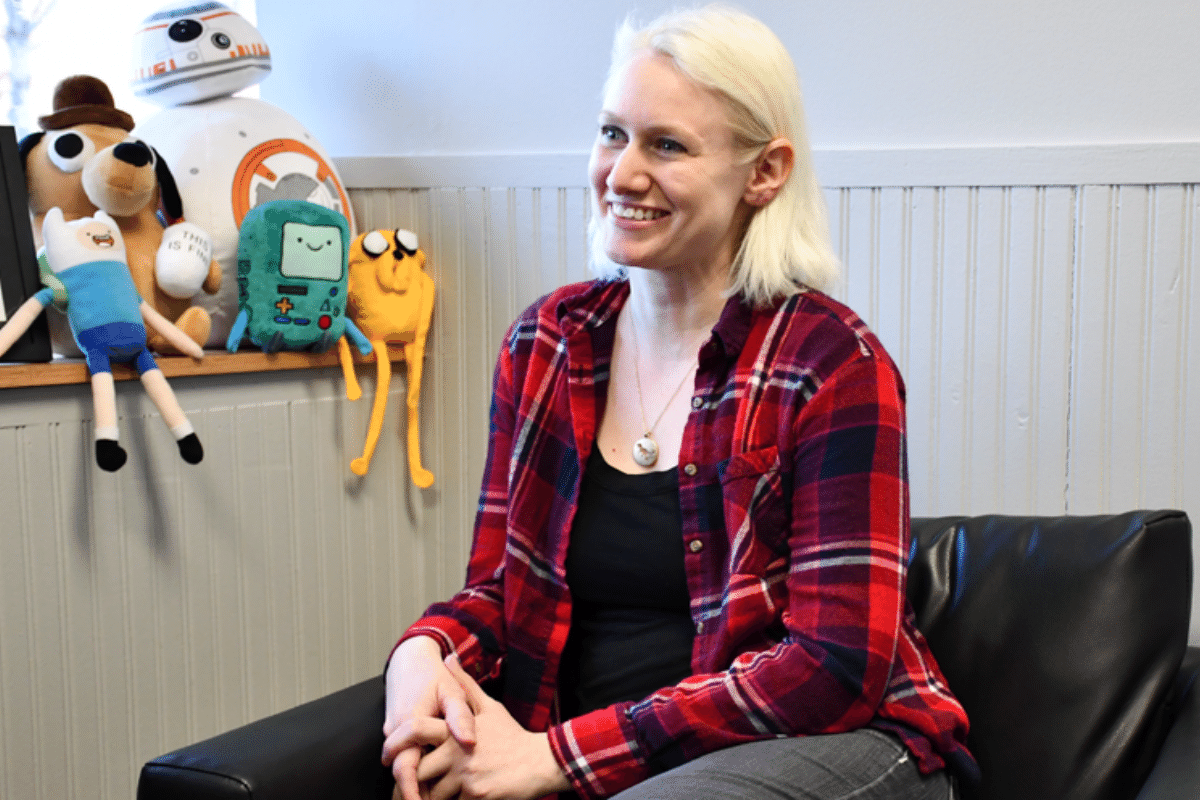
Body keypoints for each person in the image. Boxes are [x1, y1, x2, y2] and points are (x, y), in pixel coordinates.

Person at [381, 5, 977, 799]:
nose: (622, 174)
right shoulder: (546, 344)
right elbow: (500, 591)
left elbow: (832, 667)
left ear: (763, 173)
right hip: (605, 764)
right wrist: (419, 654)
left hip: (843, 749)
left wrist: (557, 758)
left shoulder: (833, 364)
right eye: (611, 133)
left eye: (667, 145)